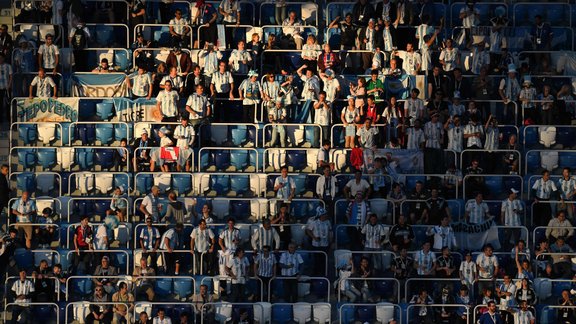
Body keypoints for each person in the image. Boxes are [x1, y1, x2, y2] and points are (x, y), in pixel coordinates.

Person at [307, 207, 332, 276]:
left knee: (323, 260)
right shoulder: (314, 222)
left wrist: (331, 240)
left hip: (325, 244)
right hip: (316, 245)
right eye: (324, 214)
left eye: (325, 214)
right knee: (316, 261)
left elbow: (330, 231)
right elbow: (308, 230)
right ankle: (316, 275)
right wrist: (314, 237)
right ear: (320, 215)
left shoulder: (328, 222)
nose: (325, 215)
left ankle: (323, 275)